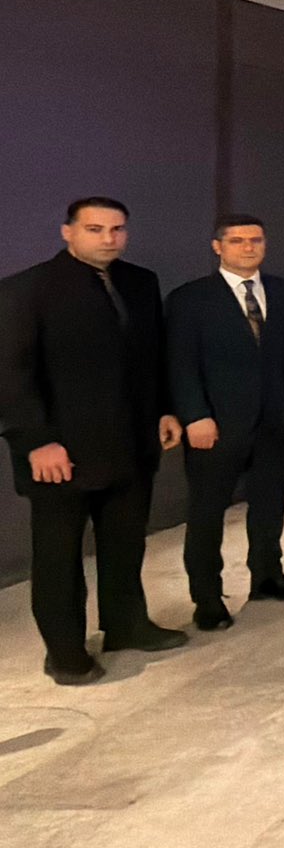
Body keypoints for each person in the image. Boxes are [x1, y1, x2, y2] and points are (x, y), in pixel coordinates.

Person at [0, 198, 186, 684]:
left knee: (125, 545)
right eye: (95, 229)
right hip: (60, 454)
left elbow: (152, 356)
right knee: (59, 557)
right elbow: (10, 376)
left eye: (117, 229)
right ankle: (64, 652)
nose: (108, 238)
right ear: (68, 232)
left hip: (132, 444)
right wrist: (37, 441)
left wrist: (165, 409)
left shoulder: (140, 282)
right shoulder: (26, 289)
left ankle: (126, 626)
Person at [166, 214, 284, 629]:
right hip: (215, 425)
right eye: (237, 241)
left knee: (269, 505)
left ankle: (267, 576)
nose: (248, 248)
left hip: (273, 421)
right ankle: (207, 598)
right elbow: (179, 363)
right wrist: (195, 415)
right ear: (218, 247)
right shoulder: (190, 298)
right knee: (207, 513)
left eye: (256, 240)